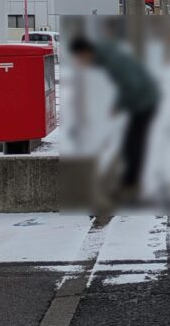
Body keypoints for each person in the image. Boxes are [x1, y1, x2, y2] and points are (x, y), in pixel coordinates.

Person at [69, 35, 160, 202]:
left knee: (133, 143)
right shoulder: (106, 57)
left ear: (86, 52)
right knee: (131, 142)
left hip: (145, 100)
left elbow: (132, 85)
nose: (81, 62)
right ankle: (130, 182)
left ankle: (131, 185)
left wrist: (119, 105)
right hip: (141, 99)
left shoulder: (112, 61)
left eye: (80, 57)